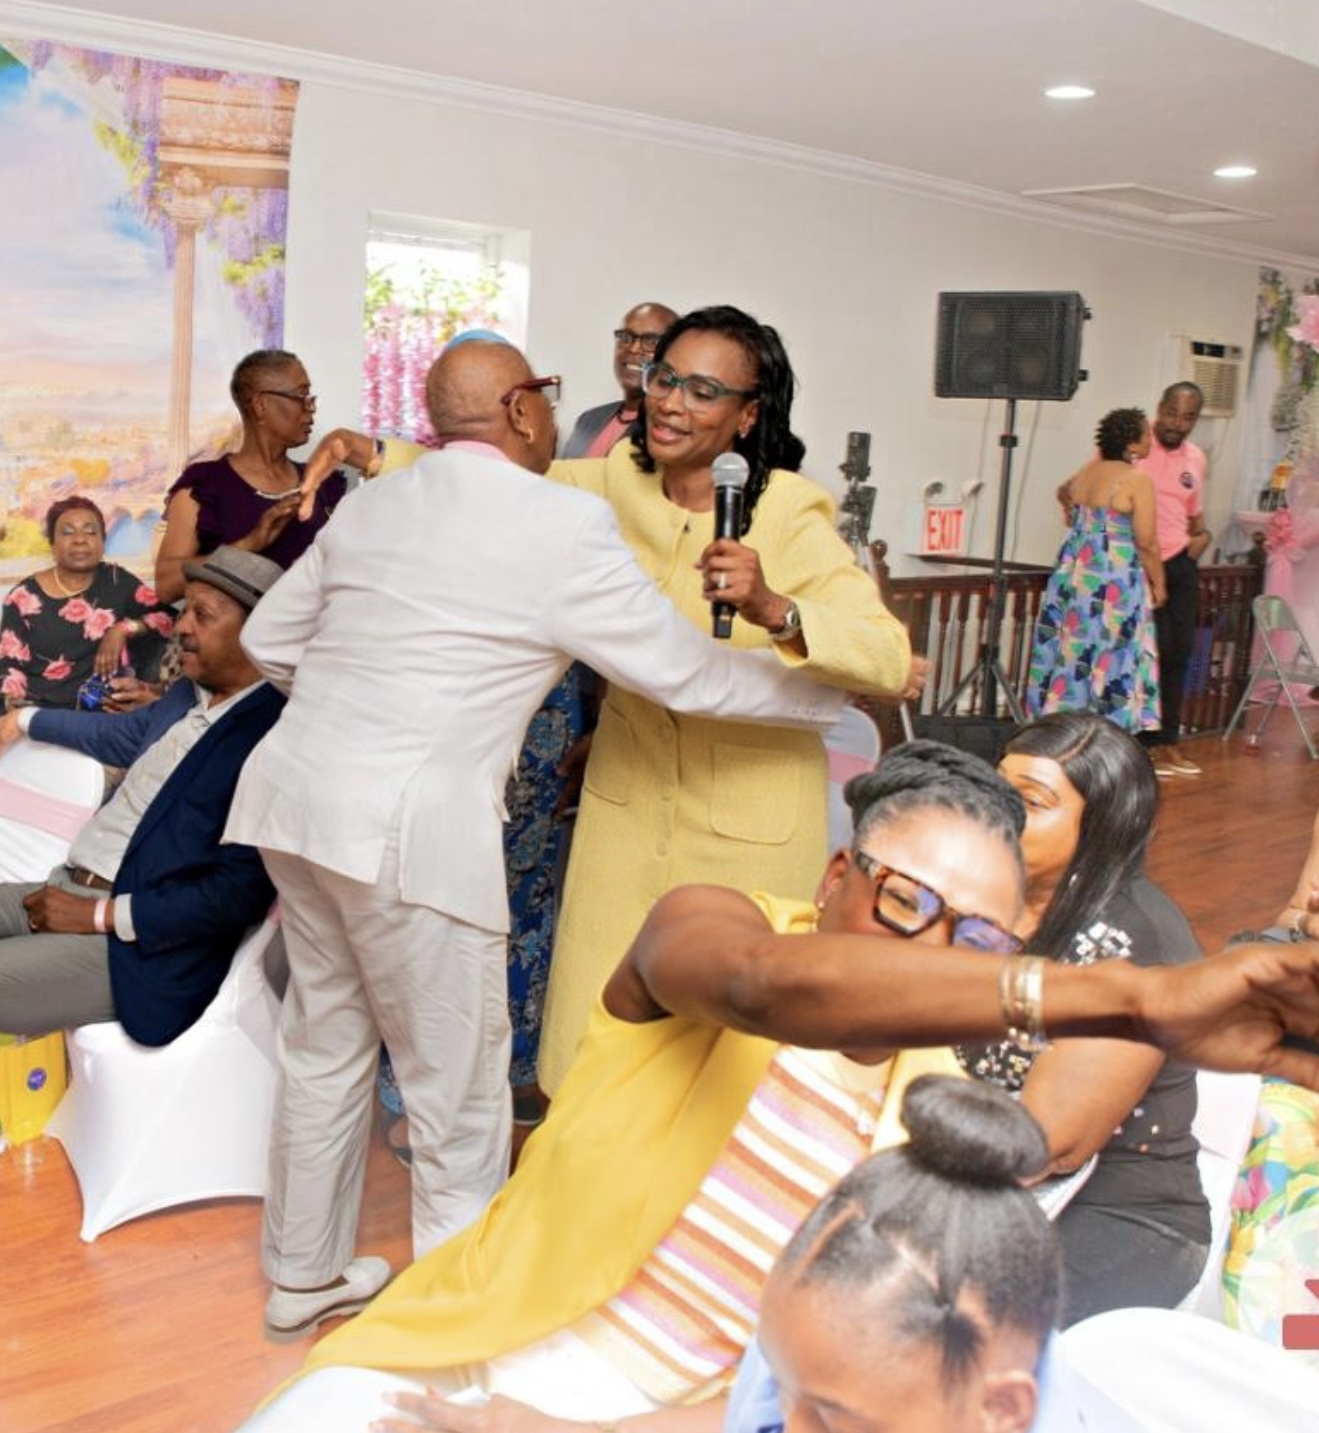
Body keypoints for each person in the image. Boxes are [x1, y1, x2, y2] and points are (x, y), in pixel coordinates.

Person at [223, 336, 853, 1342]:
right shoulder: (562, 520)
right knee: (457, 1090)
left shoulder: (376, 500)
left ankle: (302, 1276)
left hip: (296, 806)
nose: (556, 416)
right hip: (407, 830)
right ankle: (450, 1325)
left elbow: (268, 640)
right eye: (547, 398)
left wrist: (362, 715)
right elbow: (680, 673)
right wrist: (821, 697)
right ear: (518, 410)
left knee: (324, 1043)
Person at [235, 740, 1028, 1429]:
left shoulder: (943, 1130)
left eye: (977, 936)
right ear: (833, 878)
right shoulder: (718, 935)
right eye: (902, 902)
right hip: (471, 1344)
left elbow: (828, 1399)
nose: (931, 950)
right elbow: (758, 984)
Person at [539, 304, 917, 1093]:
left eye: (703, 390)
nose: (672, 402)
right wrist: (377, 453)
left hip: (744, 830)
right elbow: (492, 474)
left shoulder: (788, 510)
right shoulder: (607, 483)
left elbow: (885, 656)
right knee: (591, 1049)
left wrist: (775, 607)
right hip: (625, 811)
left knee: (718, 1067)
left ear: (748, 416)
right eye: (665, 377)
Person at [959, 712, 1209, 1323]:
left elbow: (1043, 1147)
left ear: (1099, 828)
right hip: (969, 1183)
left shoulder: (1136, 944)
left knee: (935, 1319)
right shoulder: (975, 896)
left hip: (1115, 1214)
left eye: (1032, 802)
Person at [0, 546, 284, 1045]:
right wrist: (24, 720)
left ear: (261, 633)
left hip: (135, 945)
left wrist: (97, 916)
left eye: (203, 615)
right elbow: (119, 737)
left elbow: (237, 893)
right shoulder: (184, 697)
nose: (182, 628)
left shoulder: (274, 737)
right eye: (185, 611)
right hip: (65, 887)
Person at [154, 349, 345, 604]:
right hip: (234, 642)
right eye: (301, 396)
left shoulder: (323, 484)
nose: (310, 409)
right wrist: (247, 545)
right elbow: (166, 585)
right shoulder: (205, 485)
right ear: (261, 405)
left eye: (310, 398)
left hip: (311, 639)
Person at [1027, 408, 1163, 733]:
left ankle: (1061, 725)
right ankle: (1106, 730)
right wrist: (1159, 582)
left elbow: (1067, 502)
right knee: (1112, 647)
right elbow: (1146, 541)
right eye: (1146, 435)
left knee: (1070, 644)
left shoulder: (1087, 473)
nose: (1150, 440)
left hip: (1074, 569)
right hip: (1112, 573)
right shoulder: (1136, 480)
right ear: (1131, 442)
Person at [0, 496, 173, 709]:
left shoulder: (117, 580)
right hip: (41, 713)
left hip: (105, 712)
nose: (80, 539)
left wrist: (122, 629)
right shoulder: (23, 596)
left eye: (91, 532)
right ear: (52, 544)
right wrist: (17, 716)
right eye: (68, 532)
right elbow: (9, 667)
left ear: (103, 541)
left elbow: (169, 619)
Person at [1138, 381, 1211, 778]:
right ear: (1160, 407)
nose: (1177, 424)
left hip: (1179, 564)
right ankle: (1139, 745)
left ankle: (1168, 742)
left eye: (1188, 418)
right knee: (1144, 656)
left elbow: (1194, 515)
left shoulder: (1196, 457)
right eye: (1172, 413)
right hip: (1136, 565)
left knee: (1179, 652)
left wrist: (1202, 537)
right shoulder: (1134, 444)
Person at [560, 302, 678, 458]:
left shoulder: (668, 428)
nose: (634, 348)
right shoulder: (588, 419)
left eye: (651, 341)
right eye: (626, 337)